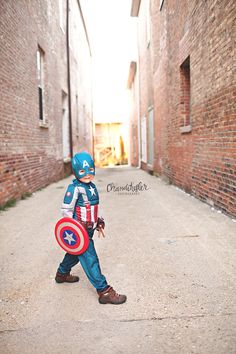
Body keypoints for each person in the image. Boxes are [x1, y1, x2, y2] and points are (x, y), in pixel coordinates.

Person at [55, 151, 126, 305]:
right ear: (75, 171)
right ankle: (104, 291)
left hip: (89, 229)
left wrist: (98, 221)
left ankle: (62, 273)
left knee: (75, 253)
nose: (87, 174)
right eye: (82, 171)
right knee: (90, 258)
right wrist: (75, 229)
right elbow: (66, 210)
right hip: (80, 232)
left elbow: (93, 208)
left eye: (90, 170)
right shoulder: (74, 188)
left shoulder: (91, 186)